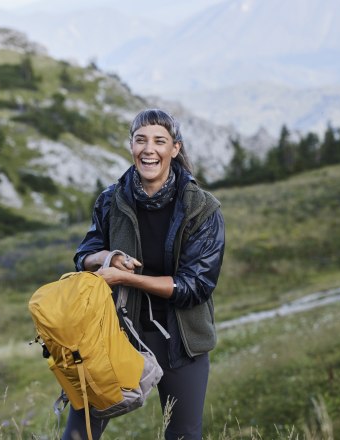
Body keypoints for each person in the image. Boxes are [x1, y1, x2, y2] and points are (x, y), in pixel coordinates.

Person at [65, 108, 226, 440]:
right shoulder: (111, 200)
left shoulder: (202, 208)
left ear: (175, 149)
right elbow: (84, 255)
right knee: (79, 434)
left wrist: (127, 279)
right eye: (141, 140)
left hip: (181, 341)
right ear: (131, 146)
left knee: (183, 435)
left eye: (159, 141)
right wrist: (107, 256)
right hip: (115, 334)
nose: (148, 149)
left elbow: (195, 286)